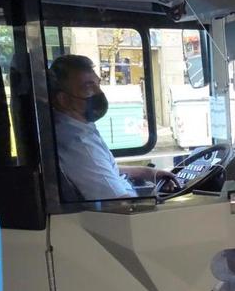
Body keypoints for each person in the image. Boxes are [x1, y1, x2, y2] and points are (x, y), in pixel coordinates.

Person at [49, 55, 178, 201]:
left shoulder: (77, 127)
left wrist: (148, 172)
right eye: (88, 88)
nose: (99, 93)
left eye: (98, 85)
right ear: (63, 99)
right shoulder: (79, 144)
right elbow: (122, 205)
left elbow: (104, 171)